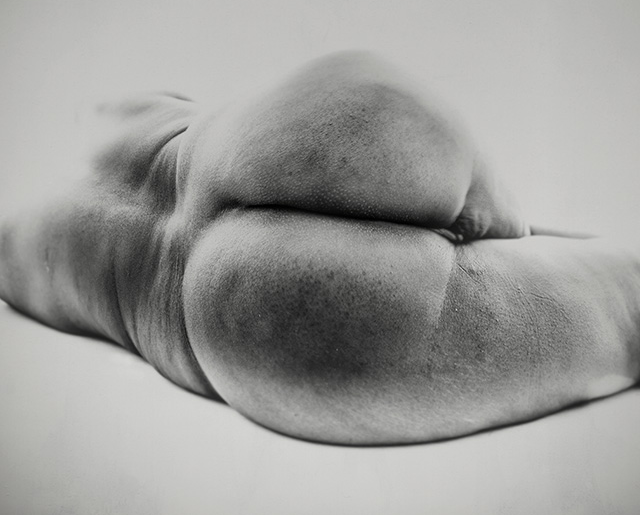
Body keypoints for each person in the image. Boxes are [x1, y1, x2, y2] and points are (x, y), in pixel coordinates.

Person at [0, 51, 638, 445]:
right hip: (259, 135)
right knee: (599, 278)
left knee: (625, 306)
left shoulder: (12, 240)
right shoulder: (98, 107)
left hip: (213, 319)